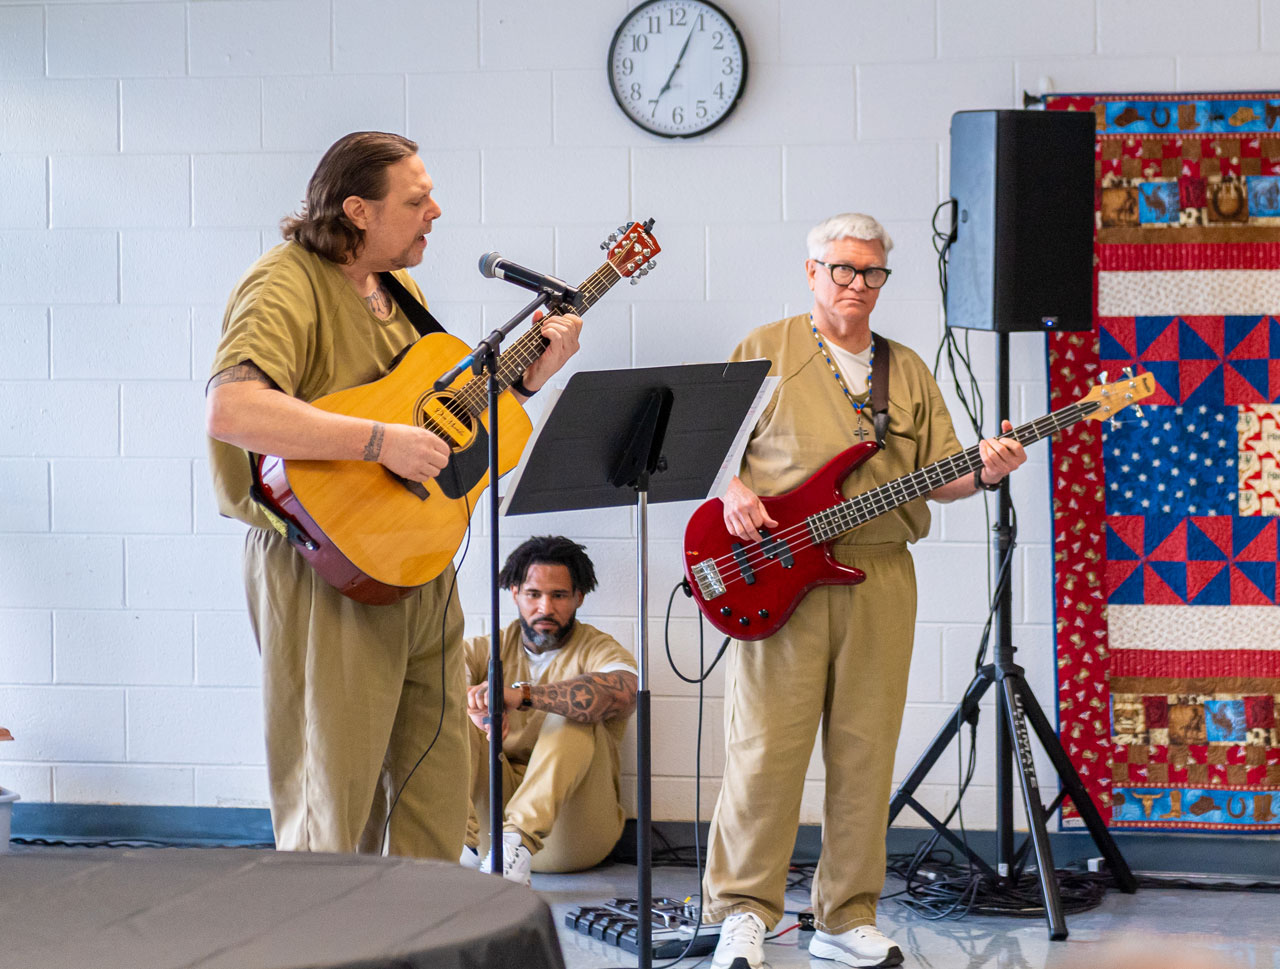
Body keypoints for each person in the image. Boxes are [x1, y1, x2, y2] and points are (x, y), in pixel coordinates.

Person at [204, 131, 583, 859]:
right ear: (357, 210)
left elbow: (437, 428)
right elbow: (233, 410)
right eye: (415, 200)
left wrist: (528, 379)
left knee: (433, 788)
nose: (435, 211)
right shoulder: (285, 282)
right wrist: (379, 442)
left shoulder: (397, 290)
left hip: (417, 563)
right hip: (323, 564)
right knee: (333, 797)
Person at [704, 213, 1026, 969]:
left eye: (871, 273)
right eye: (841, 269)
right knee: (764, 752)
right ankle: (742, 913)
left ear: (884, 281)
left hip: (879, 573)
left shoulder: (906, 368)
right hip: (776, 572)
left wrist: (985, 468)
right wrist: (732, 491)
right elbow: (711, 448)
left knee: (865, 751)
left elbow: (944, 473)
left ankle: (845, 915)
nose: (855, 284)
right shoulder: (765, 348)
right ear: (812, 271)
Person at [460, 536, 637, 885]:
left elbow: (627, 692)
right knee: (446, 710)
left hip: (570, 835)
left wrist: (522, 695)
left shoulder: (597, 647)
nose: (545, 608)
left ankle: (518, 842)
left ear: (578, 598)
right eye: (533, 594)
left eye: (558, 596)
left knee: (577, 706)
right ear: (514, 593)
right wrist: (475, 711)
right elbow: (434, 694)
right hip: (487, 837)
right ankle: (458, 845)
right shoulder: (483, 649)